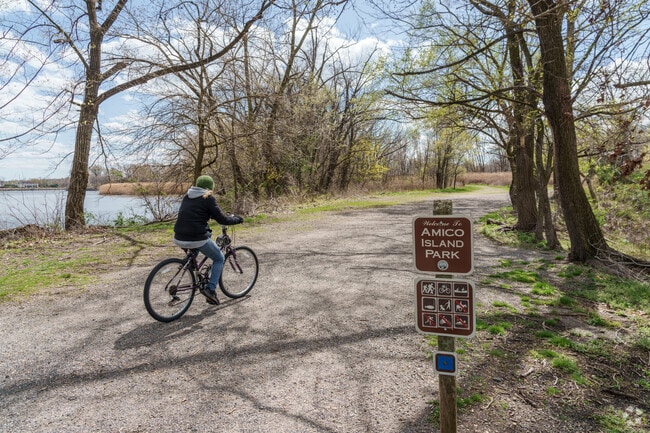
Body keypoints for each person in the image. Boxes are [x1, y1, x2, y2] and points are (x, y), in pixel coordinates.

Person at [173, 175, 243, 305]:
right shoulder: (208, 199)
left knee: (207, 234)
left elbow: (194, 215)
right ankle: (210, 290)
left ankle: (191, 260)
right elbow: (223, 220)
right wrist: (238, 219)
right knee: (219, 258)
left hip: (178, 236)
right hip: (195, 238)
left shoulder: (187, 197)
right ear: (209, 188)